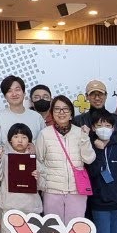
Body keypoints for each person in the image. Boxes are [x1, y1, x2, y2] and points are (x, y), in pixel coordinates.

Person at [34, 95, 95, 223]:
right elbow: (38, 160)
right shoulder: (45, 134)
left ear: (71, 114)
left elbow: (89, 159)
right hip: (52, 191)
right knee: (53, 229)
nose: (61, 112)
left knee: (75, 229)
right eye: (57, 109)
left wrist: (85, 138)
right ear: (52, 113)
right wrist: (44, 184)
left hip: (76, 190)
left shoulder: (80, 132)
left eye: (65, 109)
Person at [0, 75, 46, 152]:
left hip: (34, 159)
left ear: (24, 93)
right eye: (9, 91)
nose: (14, 94)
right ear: (5, 96)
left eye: (17, 90)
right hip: (8, 159)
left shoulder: (37, 117)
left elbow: (45, 144)